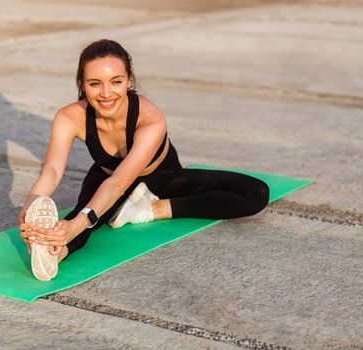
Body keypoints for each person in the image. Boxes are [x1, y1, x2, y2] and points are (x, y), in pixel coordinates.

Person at [19, 39, 269, 277]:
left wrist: (80, 222)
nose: (106, 93)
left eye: (116, 81)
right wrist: (30, 206)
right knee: (86, 213)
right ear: (82, 85)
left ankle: (153, 209)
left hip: (164, 180)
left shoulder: (150, 118)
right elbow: (52, 170)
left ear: (128, 80)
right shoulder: (69, 117)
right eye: (95, 83)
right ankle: (55, 250)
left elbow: (120, 183)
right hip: (107, 181)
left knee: (255, 193)